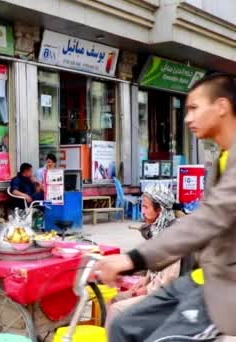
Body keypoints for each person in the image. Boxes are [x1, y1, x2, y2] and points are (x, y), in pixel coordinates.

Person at [95, 74, 236, 339]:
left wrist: (132, 258)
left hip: (223, 292)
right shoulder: (221, 159)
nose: (188, 118)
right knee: (123, 326)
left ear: (221, 107)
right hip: (198, 281)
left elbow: (206, 221)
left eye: (194, 108)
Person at [105, 187, 184, 330]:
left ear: (159, 210)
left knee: (115, 310)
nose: (143, 211)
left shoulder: (173, 237)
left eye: (146, 207)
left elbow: (169, 278)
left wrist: (146, 289)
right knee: (113, 299)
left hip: (166, 296)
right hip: (154, 288)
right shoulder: (157, 231)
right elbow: (156, 267)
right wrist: (144, 280)